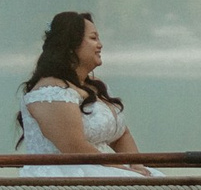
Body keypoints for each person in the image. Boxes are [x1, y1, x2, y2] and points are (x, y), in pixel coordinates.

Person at [17, 11, 152, 178]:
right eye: (93, 38)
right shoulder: (50, 92)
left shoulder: (96, 87)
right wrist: (123, 170)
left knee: (160, 182)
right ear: (72, 45)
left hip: (103, 169)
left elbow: (121, 134)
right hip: (66, 176)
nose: (100, 45)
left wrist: (136, 164)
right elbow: (73, 146)